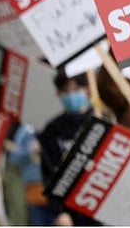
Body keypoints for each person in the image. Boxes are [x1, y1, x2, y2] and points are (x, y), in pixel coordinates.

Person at [38, 68, 100, 226]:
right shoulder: (52, 130)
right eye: (66, 91)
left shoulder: (102, 119)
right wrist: (60, 212)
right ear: (59, 94)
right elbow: (49, 175)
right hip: (72, 209)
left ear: (87, 89)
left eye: (76, 89)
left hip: (102, 202)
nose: (72, 95)